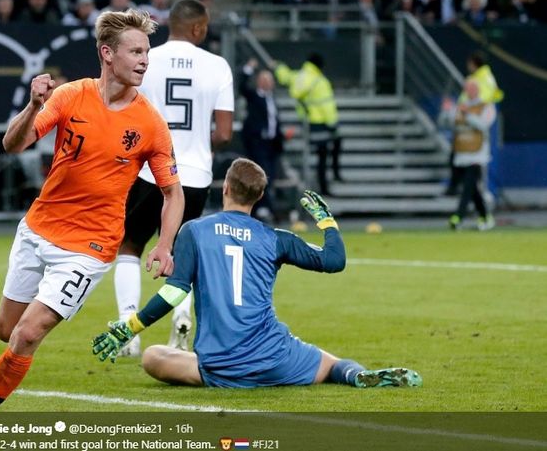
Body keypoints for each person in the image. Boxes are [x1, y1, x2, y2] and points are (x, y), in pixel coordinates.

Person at [0, 9, 184, 444]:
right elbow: (13, 144)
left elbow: (173, 193)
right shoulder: (71, 96)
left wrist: (165, 245)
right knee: (6, 330)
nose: (145, 60)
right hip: (39, 228)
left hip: (89, 247)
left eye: (147, 51)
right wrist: (33, 105)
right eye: (136, 51)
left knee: (27, 333)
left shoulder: (150, 122)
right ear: (107, 54)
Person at [93, 158, 423, 389]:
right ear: (259, 196)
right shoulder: (276, 238)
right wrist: (326, 221)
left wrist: (129, 327)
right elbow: (334, 261)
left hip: (220, 363)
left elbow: (174, 292)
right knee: (334, 365)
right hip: (275, 356)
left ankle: (219, 369)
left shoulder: (194, 231)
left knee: (153, 357)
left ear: (225, 189)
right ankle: (356, 377)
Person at [112, 0, 233, 356]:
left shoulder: (147, 59)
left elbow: (123, 111)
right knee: (181, 252)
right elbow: (224, 133)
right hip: (194, 175)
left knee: (131, 246)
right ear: (197, 28)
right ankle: (181, 316)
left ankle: (128, 327)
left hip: (150, 171)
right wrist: (196, 142)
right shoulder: (217, 65)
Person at [274, 53, 341, 196]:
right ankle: (328, 182)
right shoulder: (320, 81)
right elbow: (327, 106)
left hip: (307, 122)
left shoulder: (299, 76)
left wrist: (278, 67)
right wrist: (333, 124)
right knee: (325, 154)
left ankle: (322, 184)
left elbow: (285, 77)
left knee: (318, 154)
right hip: (321, 123)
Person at [440, 79, 496, 231]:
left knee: (467, 187)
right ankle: (485, 216)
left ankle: (458, 216)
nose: (469, 91)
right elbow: (445, 124)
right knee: (473, 190)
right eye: (467, 89)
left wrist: (467, 115)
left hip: (477, 155)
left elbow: (483, 125)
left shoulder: (486, 106)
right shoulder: (459, 106)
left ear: (477, 90)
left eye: (472, 88)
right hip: (461, 155)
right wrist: (446, 111)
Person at [239, 57, 284, 223]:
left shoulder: (272, 99)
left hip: (272, 144)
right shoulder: (254, 97)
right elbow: (242, 86)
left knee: (270, 177)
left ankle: (264, 208)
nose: (267, 83)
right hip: (258, 143)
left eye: (269, 80)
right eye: (264, 80)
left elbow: (274, 120)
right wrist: (248, 69)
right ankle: (266, 209)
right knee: (261, 176)